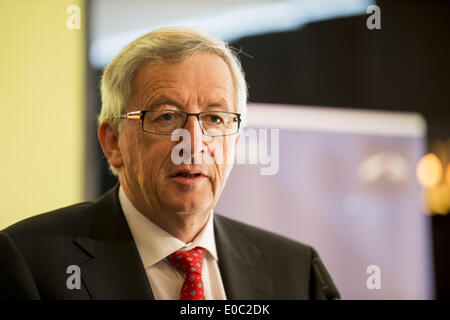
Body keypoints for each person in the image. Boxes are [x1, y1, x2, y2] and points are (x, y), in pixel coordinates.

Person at [0, 28, 339, 300]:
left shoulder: (296, 271)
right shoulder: (29, 264)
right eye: (166, 116)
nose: (192, 143)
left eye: (215, 119)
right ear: (113, 142)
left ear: (235, 141)